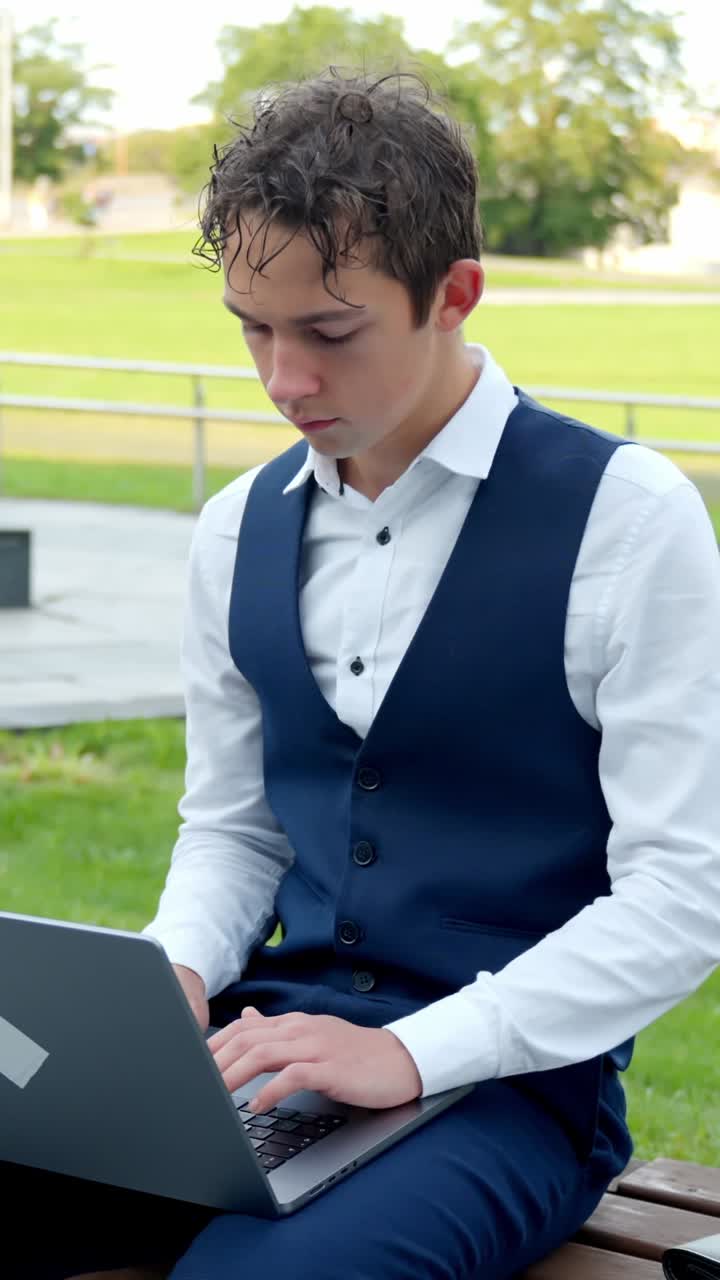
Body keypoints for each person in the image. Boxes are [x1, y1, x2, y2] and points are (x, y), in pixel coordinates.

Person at [7, 66, 720, 1280]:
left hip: (508, 1090)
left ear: (457, 294)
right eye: (252, 327)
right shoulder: (237, 527)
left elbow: (684, 892)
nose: (283, 380)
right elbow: (233, 830)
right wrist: (175, 975)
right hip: (260, 1054)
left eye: (329, 333)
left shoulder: (627, 519)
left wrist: (415, 1049)